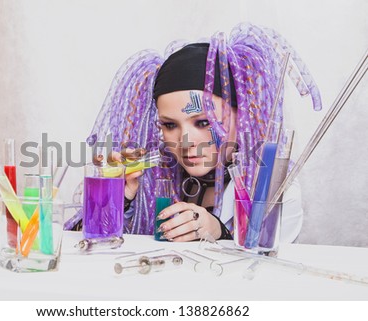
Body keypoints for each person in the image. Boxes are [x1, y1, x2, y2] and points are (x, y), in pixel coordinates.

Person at [71, 23, 321, 243]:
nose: (186, 142)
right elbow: (86, 249)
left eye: (203, 122)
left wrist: (219, 231)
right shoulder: (146, 178)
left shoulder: (275, 184)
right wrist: (117, 198)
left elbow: (269, 265)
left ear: (241, 114)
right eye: (170, 125)